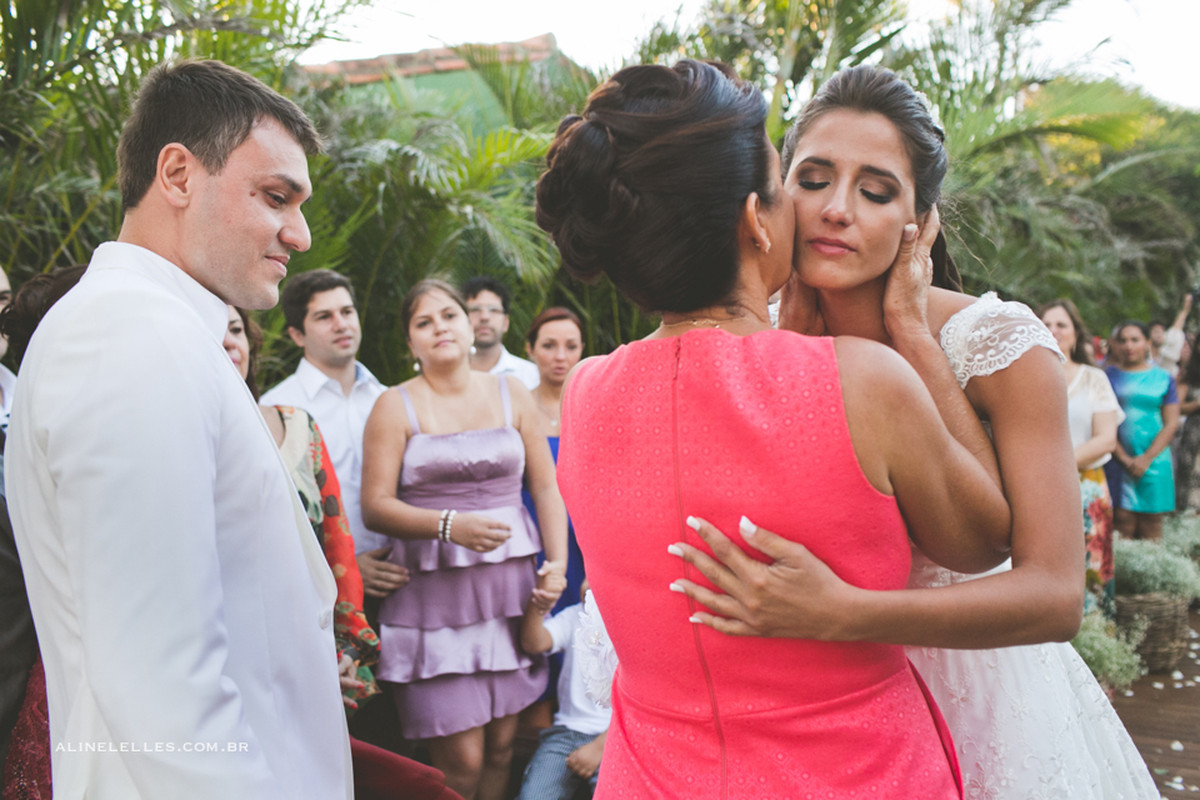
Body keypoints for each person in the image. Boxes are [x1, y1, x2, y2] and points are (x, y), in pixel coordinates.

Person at [668, 64, 1158, 800]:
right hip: (795, 704)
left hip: (976, 702)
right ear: (776, 192)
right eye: (814, 179)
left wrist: (910, 333)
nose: (837, 210)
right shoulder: (742, 334)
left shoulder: (999, 344)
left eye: (875, 191)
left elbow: (1056, 595)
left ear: (918, 221)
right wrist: (783, 353)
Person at [537, 59, 1016, 799]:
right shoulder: (864, 381)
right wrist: (908, 334)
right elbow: (984, 541)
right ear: (757, 220)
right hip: (857, 774)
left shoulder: (586, 393)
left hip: (651, 776)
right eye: (786, 182)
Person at [4, 59, 352, 798]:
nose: (300, 234)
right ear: (178, 175)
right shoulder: (126, 335)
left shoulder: (160, 331)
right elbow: (164, 689)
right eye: (276, 197)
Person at [360, 279, 568, 800]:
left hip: (508, 594)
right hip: (433, 603)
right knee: (463, 762)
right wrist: (449, 525)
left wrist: (558, 564)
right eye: (423, 322)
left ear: (469, 325)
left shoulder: (511, 392)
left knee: (501, 749)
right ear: (410, 342)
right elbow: (375, 505)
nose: (440, 328)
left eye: (449, 315)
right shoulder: (393, 405)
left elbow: (545, 485)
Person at [225, 305, 381, 710]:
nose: (228, 342)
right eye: (211, 331)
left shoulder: (298, 424)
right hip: (234, 652)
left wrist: (346, 646)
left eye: (236, 329)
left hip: (314, 641)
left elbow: (337, 543)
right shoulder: (182, 439)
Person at [260, 269, 409, 600]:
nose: (341, 324)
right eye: (324, 317)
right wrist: (345, 568)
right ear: (297, 335)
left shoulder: (389, 399)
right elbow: (277, 511)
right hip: (319, 590)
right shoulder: (276, 411)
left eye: (347, 311)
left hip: (402, 579)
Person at [1040, 299, 1123, 615]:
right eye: (1046, 324)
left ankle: (1093, 633)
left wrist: (1057, 468)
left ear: (1076, 333)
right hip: (1036, 487)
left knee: (1089, 566)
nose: (1053, 330)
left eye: (1061, 324)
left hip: (1086, 488)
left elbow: (1106, 439)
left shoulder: (1093, 378)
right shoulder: (1025, 376)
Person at [516, 577, 610, 800]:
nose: (588, 585)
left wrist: (599, 747)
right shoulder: (575, 615)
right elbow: (534, 643)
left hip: (615, 737)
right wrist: (539, 604)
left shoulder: (635, 628)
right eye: (587, 577)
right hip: (566, 733)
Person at [524, 307, 586, 612]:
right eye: (549, 345)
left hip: (586, 537)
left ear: (582, 349)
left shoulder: (595, 408)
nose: (560, 356)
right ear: (530, 349)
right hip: (532, 534)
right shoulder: (518, 409)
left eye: (571, 346)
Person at [1107, 320, 1180, 540]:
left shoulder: (1164, 378)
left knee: (1153, 521)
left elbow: (1171, 423)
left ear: (1147, 342)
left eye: (1135, 340)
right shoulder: (1106, 376)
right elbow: (1102, 421)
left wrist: (1146, 458)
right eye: (1123, 340)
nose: (1128, 345)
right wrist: (1124, 458)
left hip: (1155, 459)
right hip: (1118, 459)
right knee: (1121, 520)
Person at [462, 276, 540, 390]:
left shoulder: (532, 376)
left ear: (506, 322)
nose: (484, 317)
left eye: (493, 310)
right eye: (475, 310)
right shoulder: (446, 373)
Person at [1149, 294, 1190, 375]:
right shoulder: (1143, 357)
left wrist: (1185, 310)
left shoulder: (1167, 354)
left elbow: (1176, 329)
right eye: (1156, 332)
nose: (1159, 335)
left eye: (1162, 332)